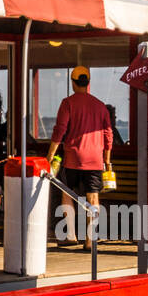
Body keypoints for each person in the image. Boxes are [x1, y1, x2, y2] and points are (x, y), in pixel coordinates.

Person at [47, 66, 112, 250]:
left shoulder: (67, 103)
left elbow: (59, 130)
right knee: (93, 198)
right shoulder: (100, 106)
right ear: (88, 82)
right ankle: (91, 239)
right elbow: (108, 135)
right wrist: (107, 160)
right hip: (95, 159)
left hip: (72, 157)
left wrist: (50, 155)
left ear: (73, 82)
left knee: (67, 194)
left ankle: (70, 235)